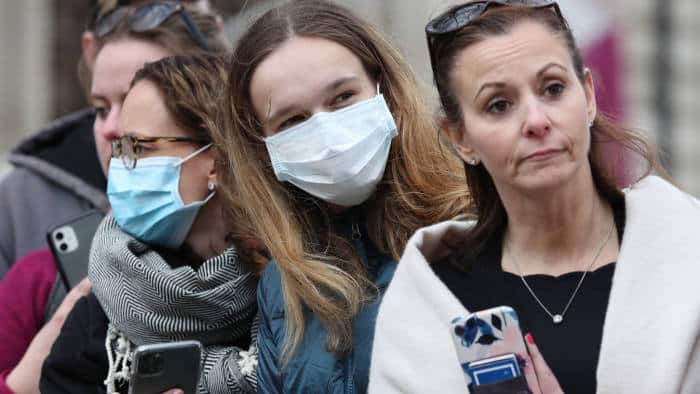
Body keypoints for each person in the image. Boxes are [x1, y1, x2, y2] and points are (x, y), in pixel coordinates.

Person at [369, 1, 700, 393]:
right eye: (499, 105)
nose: (537, 121)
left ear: (589, 96)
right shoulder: (428, 298)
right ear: (460, 137)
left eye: (553, 89)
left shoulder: (685, 248)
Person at [212, 1, 470, 392]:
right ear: (262, 144)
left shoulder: (469, 227)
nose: (328, 135)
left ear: (384, 89)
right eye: (293, 120)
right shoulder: (282, 280)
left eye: (342, 97)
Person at [0, 3, 230, 393]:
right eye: (100, 108)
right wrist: (23, 382)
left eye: (141, 100)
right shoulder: (40, 279)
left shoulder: (279, 281)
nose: (112, 128)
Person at [42, 53, 260, 394]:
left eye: (139, 147)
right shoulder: (107, 294)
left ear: (217, 162)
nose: (122, 164)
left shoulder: (287, 289)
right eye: (120, 148)